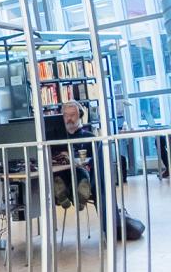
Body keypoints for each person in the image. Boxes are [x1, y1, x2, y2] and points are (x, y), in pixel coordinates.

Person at [50, 102, 143, 239]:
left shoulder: (89, 137)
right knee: (59, 174)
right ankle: (66, 193)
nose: (69, 118)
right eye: (66, 115)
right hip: (63, 173)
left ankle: (78, 193)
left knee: (81, 173)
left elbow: (96, 163)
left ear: (80, 116)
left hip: (84, 174)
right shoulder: (55, 139)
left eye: (73, 115)